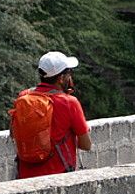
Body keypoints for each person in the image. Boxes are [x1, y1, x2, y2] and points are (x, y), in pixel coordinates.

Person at [10, 51, 91, 179]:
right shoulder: (69, 102)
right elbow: (86, 145)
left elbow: (14, 134)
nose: (70, 77)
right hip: (58, 178)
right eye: (69, 73)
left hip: (24, 178)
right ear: (61, 78)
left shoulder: (24, 96)